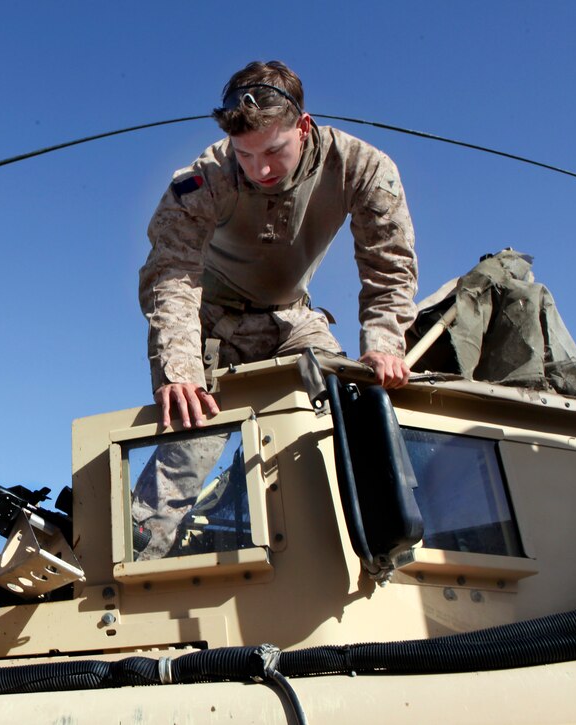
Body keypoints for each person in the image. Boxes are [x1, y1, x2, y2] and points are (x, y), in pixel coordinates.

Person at [132, 60, 418, 560]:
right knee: (187, 451)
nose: (260, 170)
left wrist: (385, 345)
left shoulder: (362, 167)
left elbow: (388, 265)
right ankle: (128, 581)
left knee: (354, 418)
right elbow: (171, 273)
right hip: (213, 327)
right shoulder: (206, 177)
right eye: (246, 154)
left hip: (294, 319)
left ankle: (386, 558)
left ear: (303, 128)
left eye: (273, 151)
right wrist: (179, 370)